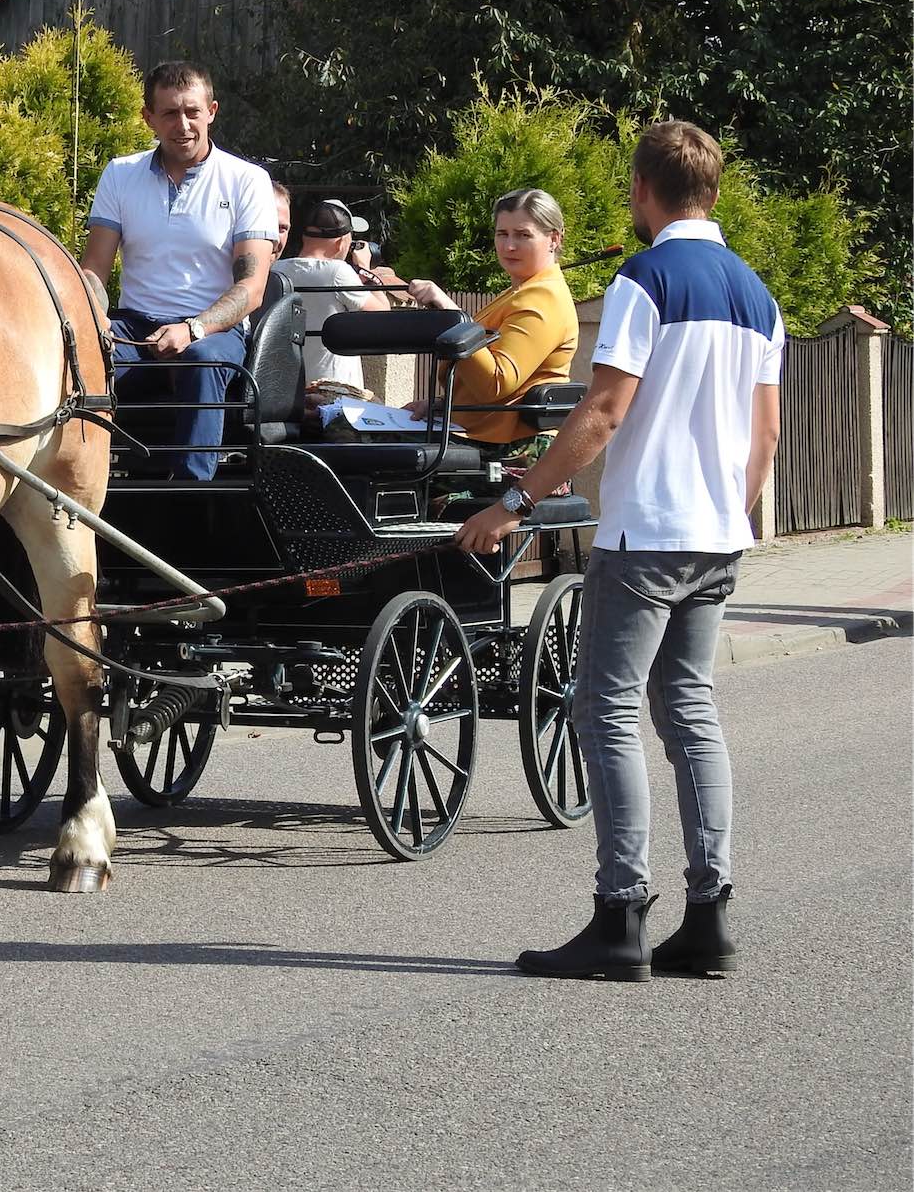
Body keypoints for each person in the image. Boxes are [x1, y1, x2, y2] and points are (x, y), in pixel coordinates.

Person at [455, 122, 784, 983]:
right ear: (708, 190)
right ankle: (708, 917)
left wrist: (513, 502)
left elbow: (602, 411)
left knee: (603, 710)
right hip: (717, 534)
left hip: (645, 534)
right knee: (689, 713)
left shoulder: (645, 279)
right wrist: (729, 512)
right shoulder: (756, 293)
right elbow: (767, 433)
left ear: (643, 189)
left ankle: (619, 917)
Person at [81, 61, 278, 481]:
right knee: (78, 357)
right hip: (134, 326)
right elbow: (93, 271)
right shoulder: (120, 174)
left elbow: (252, 287)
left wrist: (192, 329)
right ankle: (76, 484)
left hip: (215, 332)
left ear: (212, 111)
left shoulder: (247, 180)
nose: (183, 124)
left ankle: (192, 498)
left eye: (192, 111)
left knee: (200, 360)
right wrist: (91, 324)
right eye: (170, 113)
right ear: (148, 118)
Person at [403, 189, 579, 466]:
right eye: (502, 234)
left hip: (507, 454)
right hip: (478, 438)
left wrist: (452, 315)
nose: (509, 246)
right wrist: (441, 406)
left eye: (523, 235)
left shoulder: (543, 298)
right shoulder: (519, 292)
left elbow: (495, 383)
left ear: (553, 239)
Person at [275, 197, 395, 389]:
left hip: (285, 386)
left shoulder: (275, 269)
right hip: (332, 387)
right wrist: (365, 268)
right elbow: (382, 315)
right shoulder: (338, 272)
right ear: (341, 243)